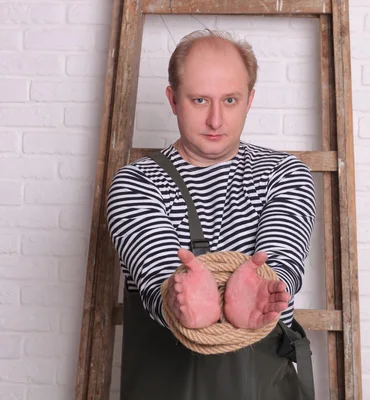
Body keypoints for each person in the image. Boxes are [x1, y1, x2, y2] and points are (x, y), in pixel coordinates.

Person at [106, 29, 317, 400]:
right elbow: (159, 286)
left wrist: (260, 299)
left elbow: (281, 269)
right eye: (200, 100)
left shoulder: (283, 174)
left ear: (250, 100)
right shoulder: (137, 183)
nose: (216, 120)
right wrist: (180, 302)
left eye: (231, 100)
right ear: (173, 99)